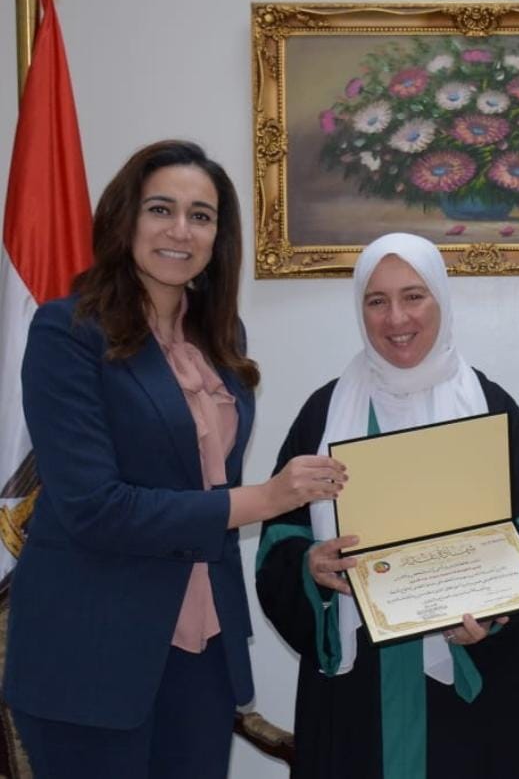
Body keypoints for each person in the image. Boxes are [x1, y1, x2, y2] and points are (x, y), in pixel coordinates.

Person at [4, 141, 346, 779]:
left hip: (204, 649)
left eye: (201, 215)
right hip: (90, 654)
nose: (180, 230)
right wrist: (265, 499)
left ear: (219, 236)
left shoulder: (222, 338)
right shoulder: (67, 331)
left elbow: (203, 479)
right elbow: (94, 508)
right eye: (160, 209)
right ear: (124, 217)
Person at [256, 232, 519, 779]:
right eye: (377, 301)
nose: (396, 318)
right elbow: (279, 536)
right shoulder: (323, 415)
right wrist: (309, 565)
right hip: (356, 688)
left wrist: (492, 615)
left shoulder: (492, 411)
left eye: (413, 296)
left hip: (467, 683)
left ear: (440, 298)